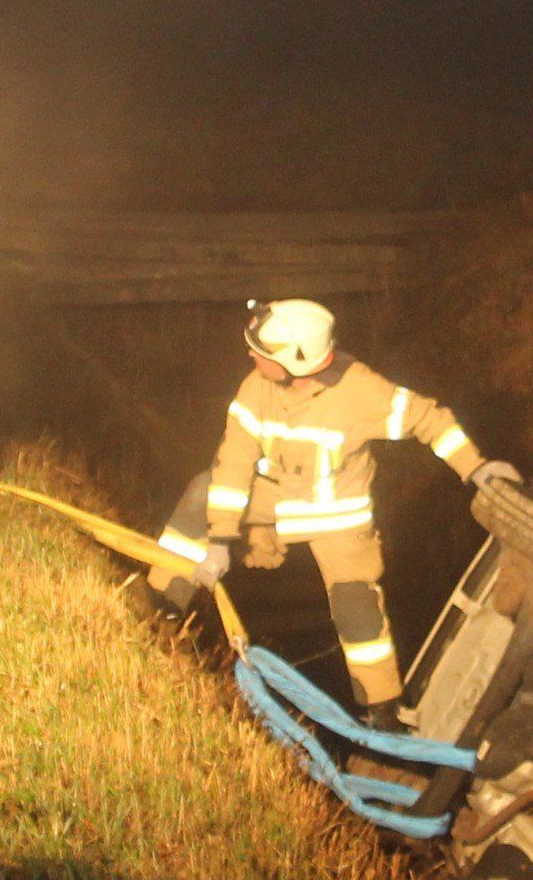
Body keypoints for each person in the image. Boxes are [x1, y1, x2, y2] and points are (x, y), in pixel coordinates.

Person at [146, 299, 510, 727]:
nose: (250, 356)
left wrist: (476, 467)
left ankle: (383, 711)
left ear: (297, 363)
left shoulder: (361, 392)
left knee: (356, 608)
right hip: (277, 496)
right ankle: (163, 607)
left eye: (261, 353)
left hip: (338, 516)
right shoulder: (256, 387)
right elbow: (235, 459)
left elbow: (429, 420)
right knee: (201, 492)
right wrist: (221, 540)